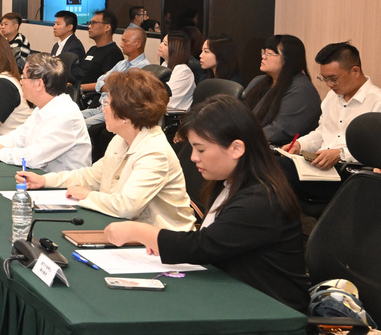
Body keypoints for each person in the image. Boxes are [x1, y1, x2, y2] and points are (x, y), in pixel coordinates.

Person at [105, 95, 309, 312]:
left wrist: (137, 231)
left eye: (200, 149)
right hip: (235, 298)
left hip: (270, 313)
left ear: (236, 148)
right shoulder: (227, 183)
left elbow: (202, 247)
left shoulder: (261, 199)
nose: (193, 157)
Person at [19, 69, 193, 230]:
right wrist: (44, 180)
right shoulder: (121, 139)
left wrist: (87, 196)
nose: (103, 108)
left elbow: (127, 207)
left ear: (126, 114)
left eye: (107, 103)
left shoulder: (155, 152)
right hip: (127, 230)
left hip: (163, 242)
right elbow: (91, 176)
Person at [283, 41, 381, 199]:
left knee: (279, 174)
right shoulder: (331, 97)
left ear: (355, 71)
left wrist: (340, 154)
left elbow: (374, 150)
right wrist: (300, 144)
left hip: (351, 173)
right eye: (324, 79)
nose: (329, 85)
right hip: (321, 168)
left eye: (333, 79)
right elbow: (322, 132)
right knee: (273, 167)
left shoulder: (377, 101)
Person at [0, 54, 91, 172]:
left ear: (39, 84)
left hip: (64, 184)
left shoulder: (65, 114)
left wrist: (0, 152)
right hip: (44, 178)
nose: (20, 81)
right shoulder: (42, 108)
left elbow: (35, 158)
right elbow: (18, 138)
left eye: (24, 77)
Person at [241, 35, 321, 145]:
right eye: (264, 52)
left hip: (274, 148)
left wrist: (241, 137)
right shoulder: (259, 80)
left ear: (289, 59)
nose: (263, 57)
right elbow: (238, 111)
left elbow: (279, 130)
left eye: (269, 53)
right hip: (249, 141)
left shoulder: (302, 90)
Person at [72, 10, 122, 91]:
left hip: (90, 95)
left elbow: (108, 85)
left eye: (94, 23)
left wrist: (78, 88)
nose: (89, 26)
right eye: (89, 23)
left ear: (107, 27)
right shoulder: (93, 49)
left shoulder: (113, 53)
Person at [159, 30, 196, 110]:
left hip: (175, 115)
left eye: (165, 44)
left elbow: (168, 101)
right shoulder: (165, 65)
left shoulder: (183, 71)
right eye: (162, 42)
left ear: (175, 49)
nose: (160, 45)